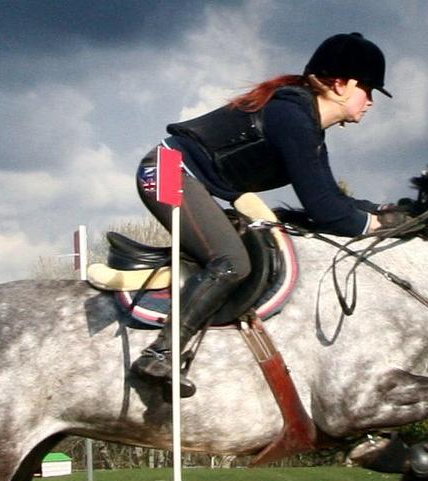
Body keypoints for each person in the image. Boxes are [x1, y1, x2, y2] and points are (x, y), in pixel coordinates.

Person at [130, 32, 405, 397]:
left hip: (183, 174)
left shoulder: (305, 120)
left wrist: (380, 210)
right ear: (340, 84)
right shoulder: (292, 117)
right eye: (368, 89)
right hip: (165, 170)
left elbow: (328, 197)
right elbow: (326, 212)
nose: (370, 101)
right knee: (231, 262)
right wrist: (376, 225)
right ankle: (159, 353)